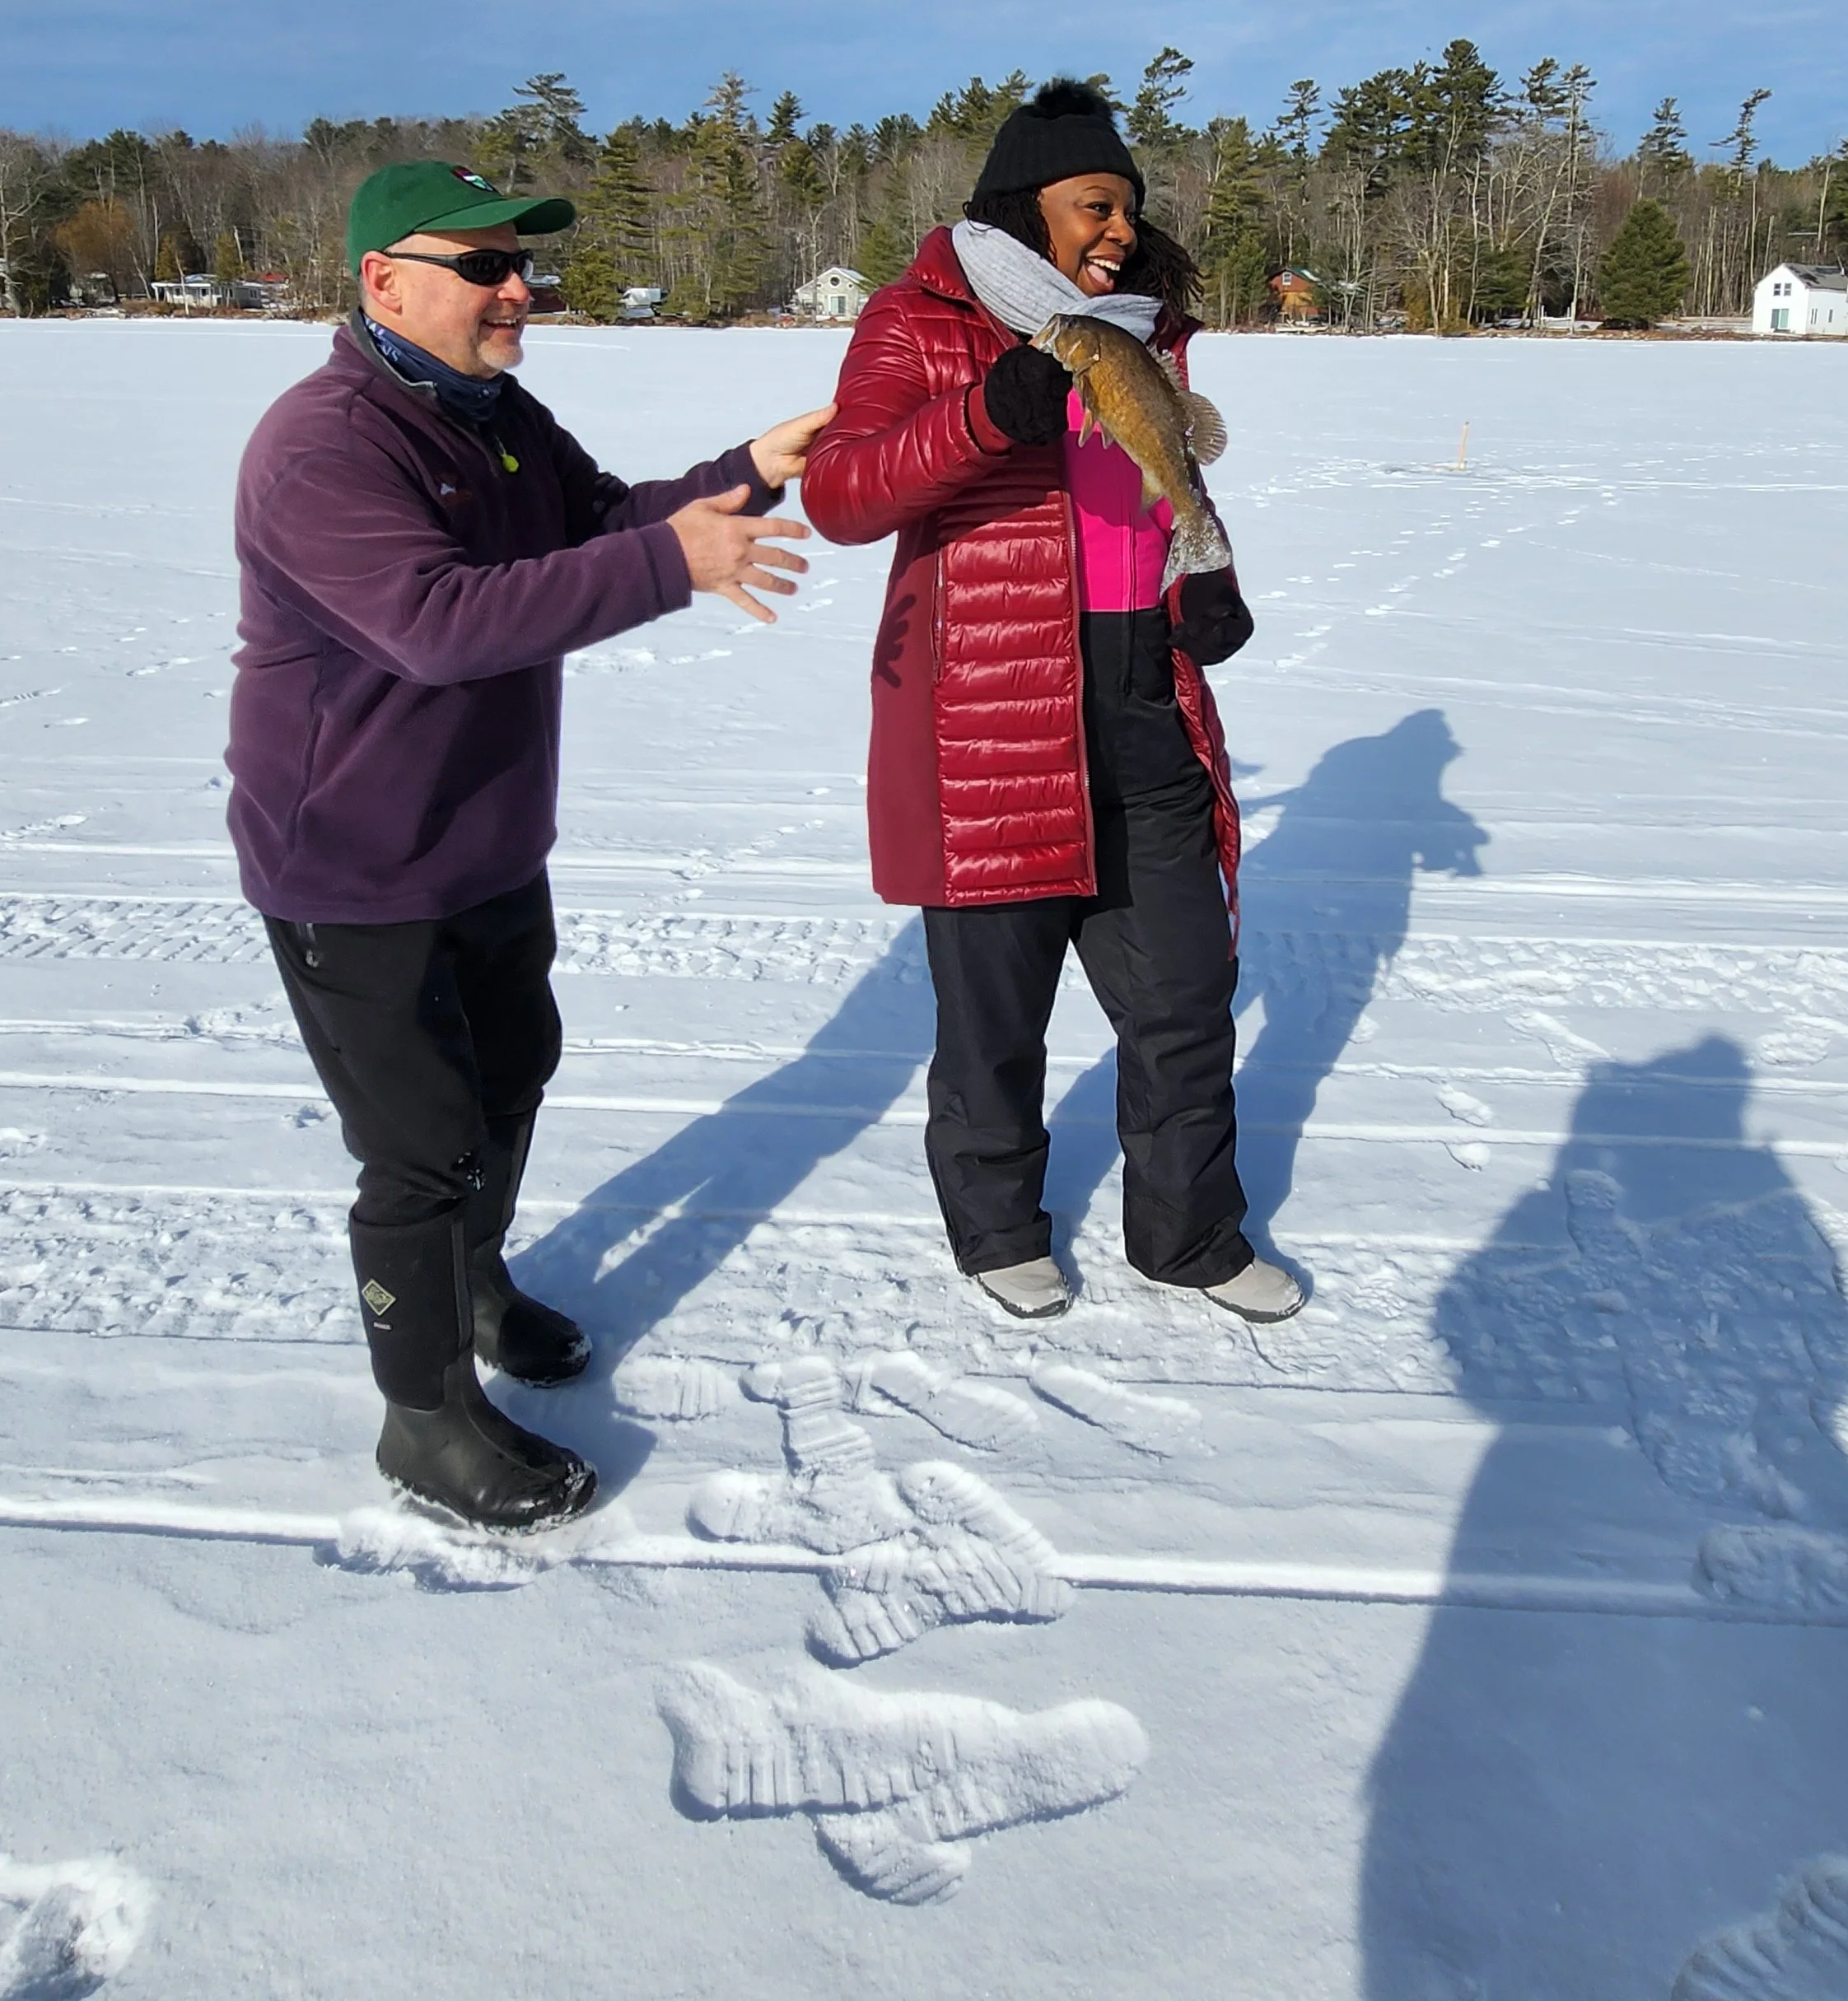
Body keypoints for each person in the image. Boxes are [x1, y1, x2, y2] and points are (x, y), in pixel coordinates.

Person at [227, 158, 829, 1531]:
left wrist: (740, 477)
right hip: (354, 861)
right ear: (384, 280)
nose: (520, 292)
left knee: (509, 1082)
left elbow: (598, 521)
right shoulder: (326, 442)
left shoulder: (497, 417)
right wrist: (677, 565)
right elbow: (436, 623)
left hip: (489, 840)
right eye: (486, 267)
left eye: (526, 267)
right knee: (421, 1148)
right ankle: (423, 1419)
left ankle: (479, 1286)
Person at [802, 80, 1301, 1323]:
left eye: (1130, 208)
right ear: (1025, 210)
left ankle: (1190, 1235)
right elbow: (845, 496)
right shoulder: (917, 323)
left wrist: (1212, 572)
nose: (1120, 229)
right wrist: (984, 413)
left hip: (1146, 698)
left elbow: (1164, 474)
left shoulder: (1145, 333)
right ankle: (996, 1226)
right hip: (993, 708)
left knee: (1184, 998)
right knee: (995, 1016)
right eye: (1096, 204)